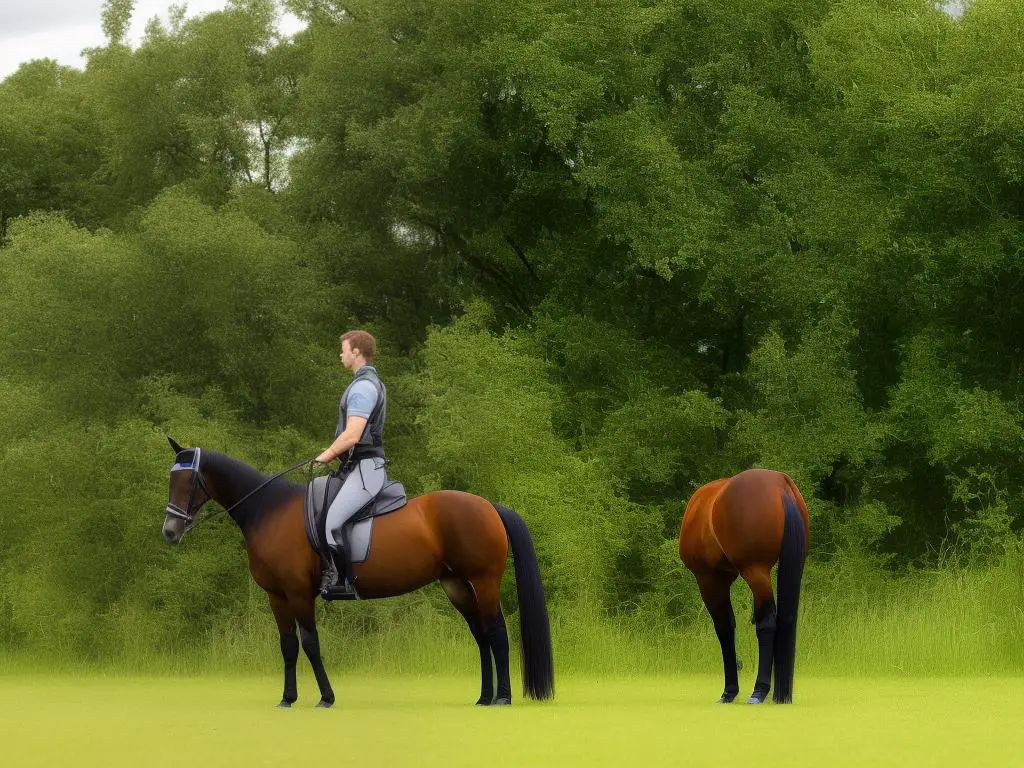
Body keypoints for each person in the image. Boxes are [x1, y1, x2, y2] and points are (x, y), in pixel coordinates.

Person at [315, 330, 388, 598]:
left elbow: (353, 434)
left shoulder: (363, 387)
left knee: (332, 520)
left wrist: (325, 456)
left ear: (356, 351)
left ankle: (343, 582)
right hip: (356, 467)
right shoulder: (366, 383)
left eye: (343, 348)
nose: (341, 353)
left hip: (366, 469)